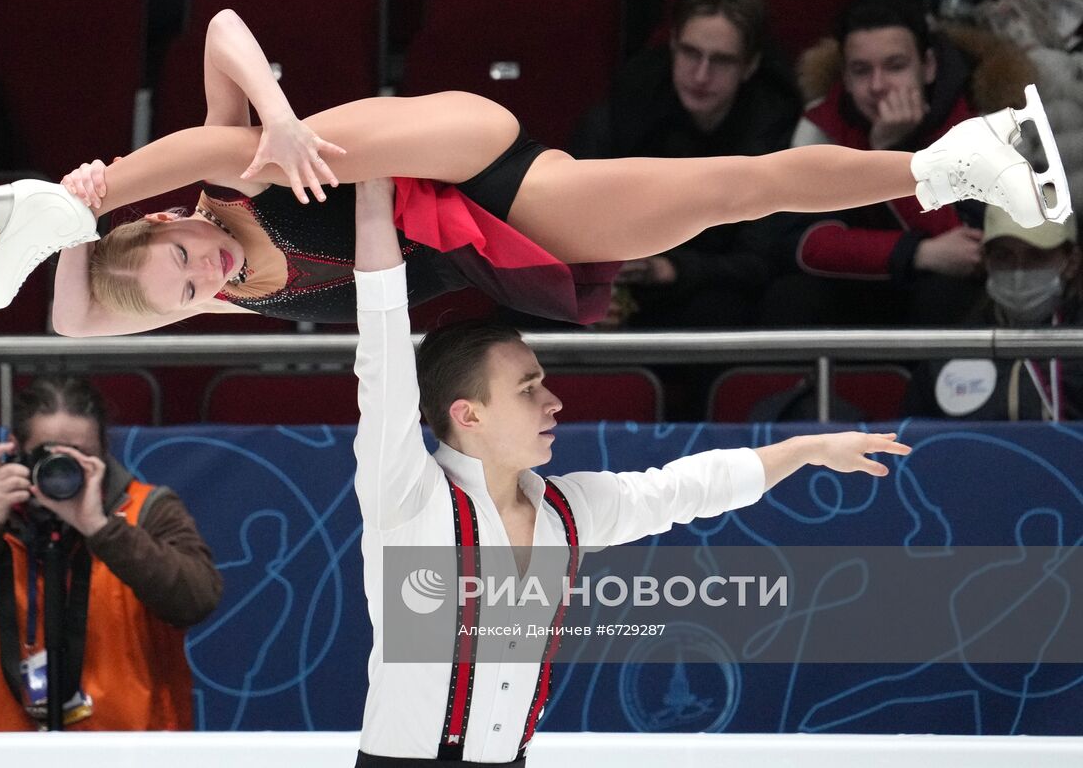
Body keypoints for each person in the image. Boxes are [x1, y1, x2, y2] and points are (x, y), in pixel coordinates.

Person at [0, 8, 1061, 334]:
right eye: (187, 291)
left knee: (262, 150)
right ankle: (952, 160)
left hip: (457, 152)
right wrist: (77, 260)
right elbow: (74, 329)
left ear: (160, 228)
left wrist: (279, 118)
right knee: (737, 190)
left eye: (180, 257)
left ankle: (57, 199)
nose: (198, 273)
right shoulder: (217, 292)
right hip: (492, 212)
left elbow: (226, 29)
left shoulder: (219, 181)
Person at [346, 175, 912, 764]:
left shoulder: (568, 512)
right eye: (527, 389)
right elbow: (382, 351)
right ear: (469, 414)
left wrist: (805, 450)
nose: (553, 403)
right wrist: (373, 195)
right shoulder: (407, 496)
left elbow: (685, 489)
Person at [0, 374, 221, 731]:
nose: (63, 470)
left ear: (104, 451)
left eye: (80, 456)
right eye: (50, 456)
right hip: (7, 753)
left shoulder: (149, 511)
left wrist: (102, 529)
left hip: (129, 751)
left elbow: (196, 601)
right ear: (16, 451)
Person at [759, 0, 1036, 327]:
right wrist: (917, 251)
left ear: (928, 67)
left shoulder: (980, 124)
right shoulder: (823, 127)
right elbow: (802, 243)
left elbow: (968, 250)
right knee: (791, 296)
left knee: (947, 294)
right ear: (845, 78)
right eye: (861, 71)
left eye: (895, 66)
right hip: (858, 282)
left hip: (941, 291)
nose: (878, 86)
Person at [568, 0, 801, 330]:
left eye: (721, 60)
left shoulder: (774, 128)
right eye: (691, 53)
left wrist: (672, 268)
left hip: (711, 287)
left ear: (750, 65)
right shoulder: (627, 106)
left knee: (721, 311)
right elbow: (571, 210)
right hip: (617, 274)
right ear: (673, 44)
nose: (701, 74)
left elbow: (762, 259)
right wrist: (598, 280)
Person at [904, 205, 1082, 420]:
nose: (1019, 271)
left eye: (1036, 256)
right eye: (1004, 256)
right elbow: (917, 443)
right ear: (986, 260)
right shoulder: (951, 349)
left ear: (1071, 262)